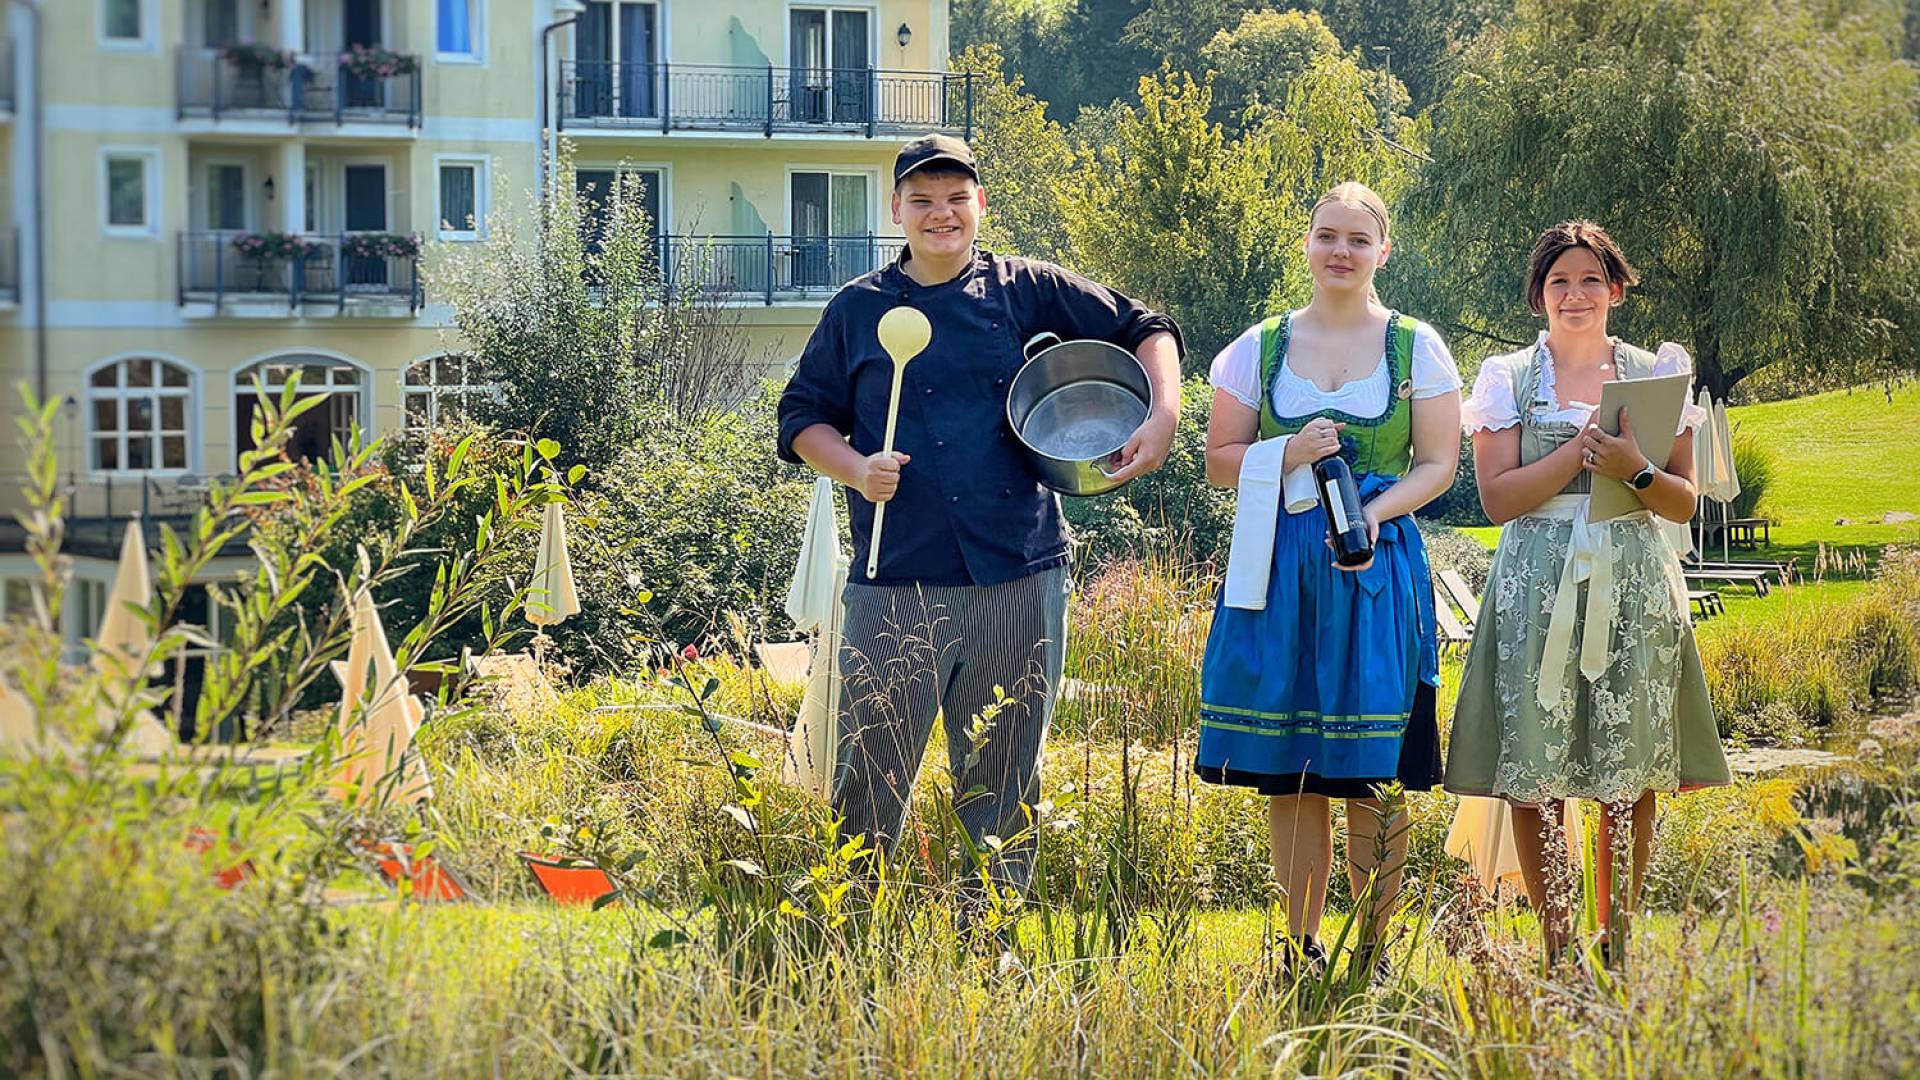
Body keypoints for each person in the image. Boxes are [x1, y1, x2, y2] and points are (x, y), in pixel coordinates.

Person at [776, 134, 1183, 922]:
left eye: (956, 198)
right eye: (922, 200)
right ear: (895, 211)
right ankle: (852, 941)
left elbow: (1146, 326)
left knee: (1003, 784)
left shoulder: (1025, 287)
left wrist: (1164, 413)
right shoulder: (860, 310)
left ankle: (985, 944)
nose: (941, 213)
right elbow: (800, 419)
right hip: (896, 582)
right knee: (870, 779)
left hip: (1017, 574)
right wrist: (856, 468)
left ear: (979, 206)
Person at [1444, 220, 1730, 965]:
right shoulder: (1507, 376)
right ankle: (1559, 943)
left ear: (1616, 289)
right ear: (1540, 295)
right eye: (1560, 282)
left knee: (1626, 774)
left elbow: (1682, 502)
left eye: (1591, 280)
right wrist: (1579, 449)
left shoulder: (1656, 372)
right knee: (1535, 774)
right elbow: (1498, 500)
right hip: (1535, 580)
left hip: (1631, 579)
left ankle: (1616, 942)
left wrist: (1634, 465)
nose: (1576, 295)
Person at [1196, 182, 1462, 977]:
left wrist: (1381, 514)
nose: (1340, 251)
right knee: (1293, 771)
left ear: (1384, 251)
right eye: (1326, 236)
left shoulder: (1417, 346)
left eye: (1357, 238)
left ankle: (1373, 949)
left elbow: (1440, 463)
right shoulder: (1260, 346)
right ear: (1306, 244)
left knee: (1370, 766)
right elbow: (1218, 463)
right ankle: (1302, 943)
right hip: (1277, 569)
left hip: (1372, 566)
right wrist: (1293, 452)